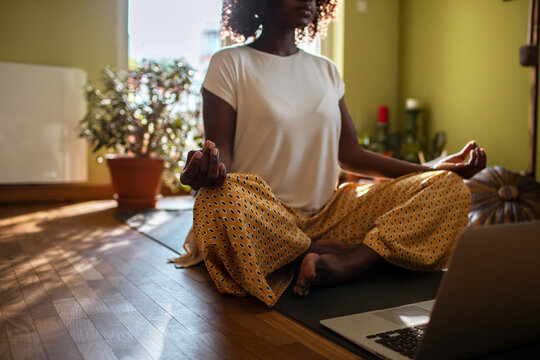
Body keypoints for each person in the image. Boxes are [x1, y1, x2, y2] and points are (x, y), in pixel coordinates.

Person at [180, 0, 486, 307]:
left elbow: (351, 155)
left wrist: (432, 170)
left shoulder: (325, 70)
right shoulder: (230, 62)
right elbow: (222, 157)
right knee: (216, 200)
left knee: (449, 187)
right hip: (263, 218)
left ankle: (349, 263)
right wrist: (204, 167)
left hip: (330, 215)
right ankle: (326, 250)